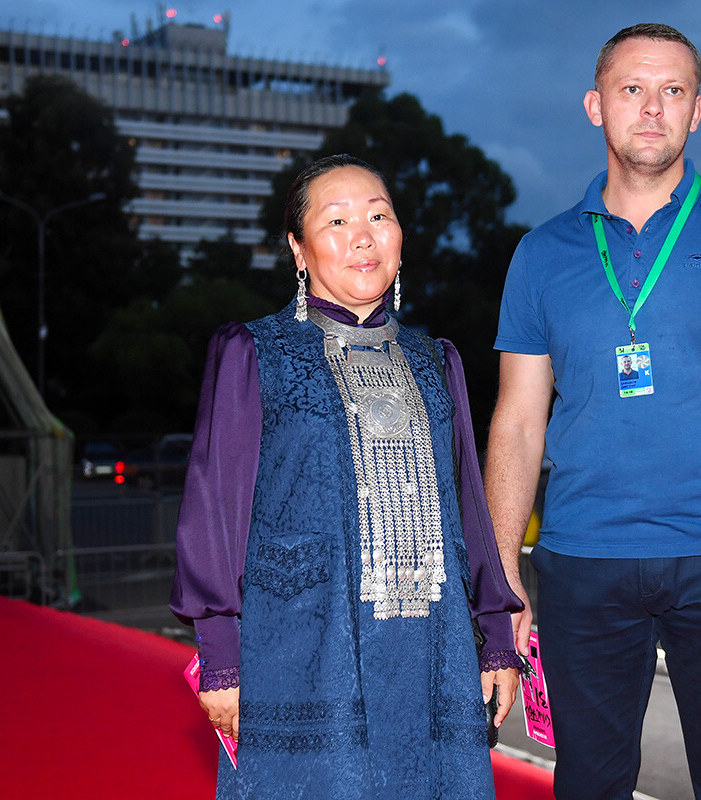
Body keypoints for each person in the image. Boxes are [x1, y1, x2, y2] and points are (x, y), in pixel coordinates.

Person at [485, 23, 701, 800]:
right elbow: (516, 422)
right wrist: (502, 576)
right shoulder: (541, 253)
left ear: (698, 110)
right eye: (633, 89)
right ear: (595, 105)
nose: (653, 109)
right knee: (589, 785)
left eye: (673, 91)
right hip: (583, 557)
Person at [170, 154, 523, 799]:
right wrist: (220, 651)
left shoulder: (436, 359)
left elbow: (469, 508)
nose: (363, 235)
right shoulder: (255, 352)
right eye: (336, 221)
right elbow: (213, 508)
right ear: (298, 250)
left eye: (378, 216)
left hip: (430, 649)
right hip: (303, 648)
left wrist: (497, 637)